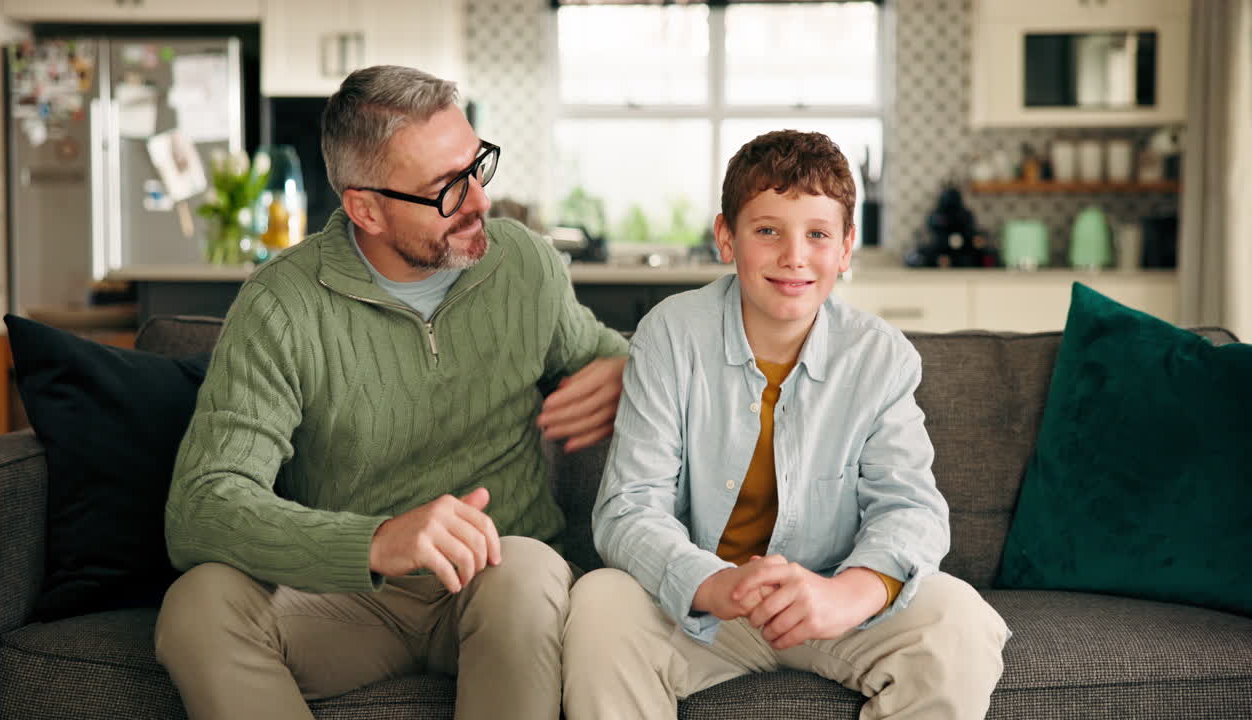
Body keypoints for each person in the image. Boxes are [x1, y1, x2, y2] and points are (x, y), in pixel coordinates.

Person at [154, 65, 628, 720]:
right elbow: (203, 505)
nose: (480, 202)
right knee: (197, 605)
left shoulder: (523, 263)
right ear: (365, 209)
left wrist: (630, 371)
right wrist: (374, 542)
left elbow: (601, 351)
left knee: (523, 569)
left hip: (501, 586)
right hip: (348, 600)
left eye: (477, 167)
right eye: (445, 189)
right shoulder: (282, 305)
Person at [562, 130, 1010, 719]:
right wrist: (709, 583)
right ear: (727, 237)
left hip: (831, 603)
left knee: (960, 618)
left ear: (846, 248)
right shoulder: (670, 335)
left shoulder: (882, 357)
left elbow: (911, 509)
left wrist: (847, 594)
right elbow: (628, 508)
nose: (794, 256)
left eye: (818, 235)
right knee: (600, 601)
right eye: (767, 230)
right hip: (706, 603)